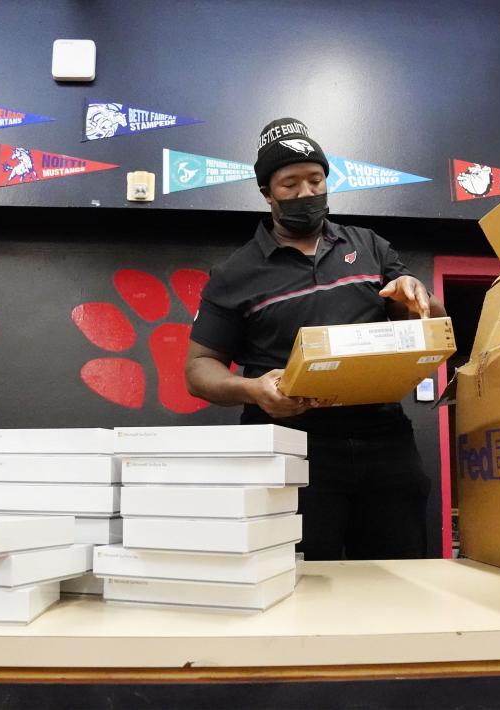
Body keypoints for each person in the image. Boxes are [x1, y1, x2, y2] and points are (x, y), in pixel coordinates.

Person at [185, 118, 447, 561]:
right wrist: (253, 390)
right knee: (296, 581)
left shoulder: (370, 246)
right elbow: (198, 369)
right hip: (290, 445)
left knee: (399, 577)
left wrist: (417, 297)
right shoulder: (234, 274)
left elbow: (430, 323)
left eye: (315, 180)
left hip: (384, 439)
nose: (306, 193)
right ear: (266, 193)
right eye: (289, 184)